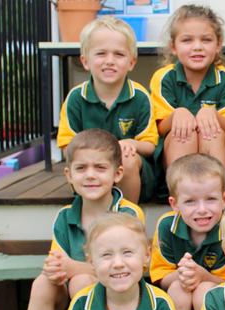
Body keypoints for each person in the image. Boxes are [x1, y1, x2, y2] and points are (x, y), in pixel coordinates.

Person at [24, 129, 145, 310]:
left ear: (117, 173)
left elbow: (132, 269)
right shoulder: (64, 216)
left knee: (80, 282)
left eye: (100, 168)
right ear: (69, 175)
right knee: (42, 284)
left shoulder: (129, 214)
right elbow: (59, 263)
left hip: (116, 294)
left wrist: (73, 268)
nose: (90, 175)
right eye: (81, 168)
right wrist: (54, 268)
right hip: (68, 299)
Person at [56, 212, 185, 310]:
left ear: (146, 255)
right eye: (106, 255)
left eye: (127, 252)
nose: (118, 263)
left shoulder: (160, 304)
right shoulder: (81, 304)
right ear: (92, 262)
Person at [56, 16, 159, 203]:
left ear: (131, 62)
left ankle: (126, 219)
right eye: (101, 53)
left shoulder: (140, 97)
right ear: (85, 61)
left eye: (119, 54)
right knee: (87, 163)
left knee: (126, 159)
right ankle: (91, 217)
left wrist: (131, 144)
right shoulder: (76, 98)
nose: (109, 61)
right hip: (91, 168)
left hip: (133, 174)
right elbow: (66, 146)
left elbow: (150, 145)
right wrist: (95, 154)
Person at [150, 4, 225, 193]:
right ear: (173, 47)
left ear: (218, 44)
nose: (197, 47)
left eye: (206, 40)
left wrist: (213, 116)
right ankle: (180, 193)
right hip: (173, 155)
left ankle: (215, 193)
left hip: (219, 154)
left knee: (211, 133)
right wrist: (178, 114)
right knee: (183, 134)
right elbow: (160, 129)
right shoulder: (163, 78)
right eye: (187, 40)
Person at [150, 153, 225, 310]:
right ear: (174, 204)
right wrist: (182, 275)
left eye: (211, 199)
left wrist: (203, 276)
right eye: (190, 201)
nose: (202, 209)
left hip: (222, 303)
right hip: (178, 296)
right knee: (178, 290)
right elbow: (159, 277)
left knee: (205, 292)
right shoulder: (166, 226)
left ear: (224, 199)